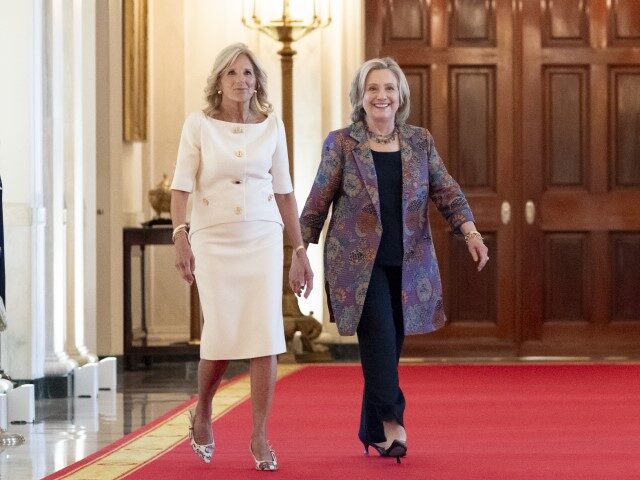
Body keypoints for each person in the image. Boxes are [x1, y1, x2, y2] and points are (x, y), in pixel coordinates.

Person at [299, 57, 489, 462]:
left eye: (388, 88)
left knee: (386, 349)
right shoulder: (342, 143)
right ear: (360, 97)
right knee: (381, 342)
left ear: (400, 94)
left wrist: (470, 231)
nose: (381, 95)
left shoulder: (420, 141)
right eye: (372, 89)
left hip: (409, 265)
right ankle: (392, 424)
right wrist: (300, 254)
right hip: (355, 267)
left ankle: (370, 430)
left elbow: (447, 191)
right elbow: (317, 204)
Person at [170, 43, 313, 471]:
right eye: (232, 73)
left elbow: (286, 192)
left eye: (248, 73)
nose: (240, 81)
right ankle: (205, 410)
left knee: (265, 334)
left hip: (262, 239)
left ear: (257, 82)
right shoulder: (197, 125)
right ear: (218, 81)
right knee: (219, 336)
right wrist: (181, 236)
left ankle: (259, 436)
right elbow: (181, 188)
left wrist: (300, 251)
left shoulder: (272, 125)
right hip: (213, 239)